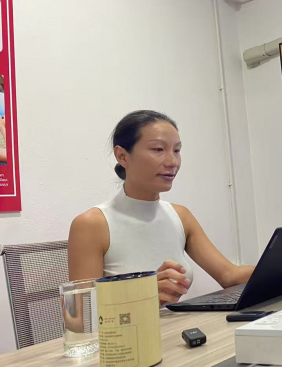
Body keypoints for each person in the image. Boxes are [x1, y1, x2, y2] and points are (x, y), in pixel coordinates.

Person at [68, 110, 255, 306]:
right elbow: (83, 311)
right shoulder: (92, 224)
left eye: (177, 150)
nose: (172, 162)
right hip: (129, 327)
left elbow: (229, 275)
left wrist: (278, 268)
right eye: (158, 149)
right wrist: (144, 296)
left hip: (181, 324)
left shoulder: (181, 216)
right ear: (122, 156)